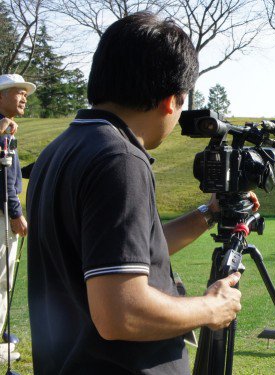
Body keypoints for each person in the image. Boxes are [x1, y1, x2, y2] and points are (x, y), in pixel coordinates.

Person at [27, 13, 258, 374]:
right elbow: (121, 312)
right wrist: (211, 308)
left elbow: (121, 252)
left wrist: (208, 213)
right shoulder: (120, 159)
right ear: (171, 100)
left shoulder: (62, 148)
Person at [0, 73, 35, 362]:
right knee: (1, 278)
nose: (24, 97)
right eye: (17, 92)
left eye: (25, 93)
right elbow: (3, 175)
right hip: (2, 216)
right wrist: (15, 213)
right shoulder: (3, 130)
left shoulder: (7, 128)